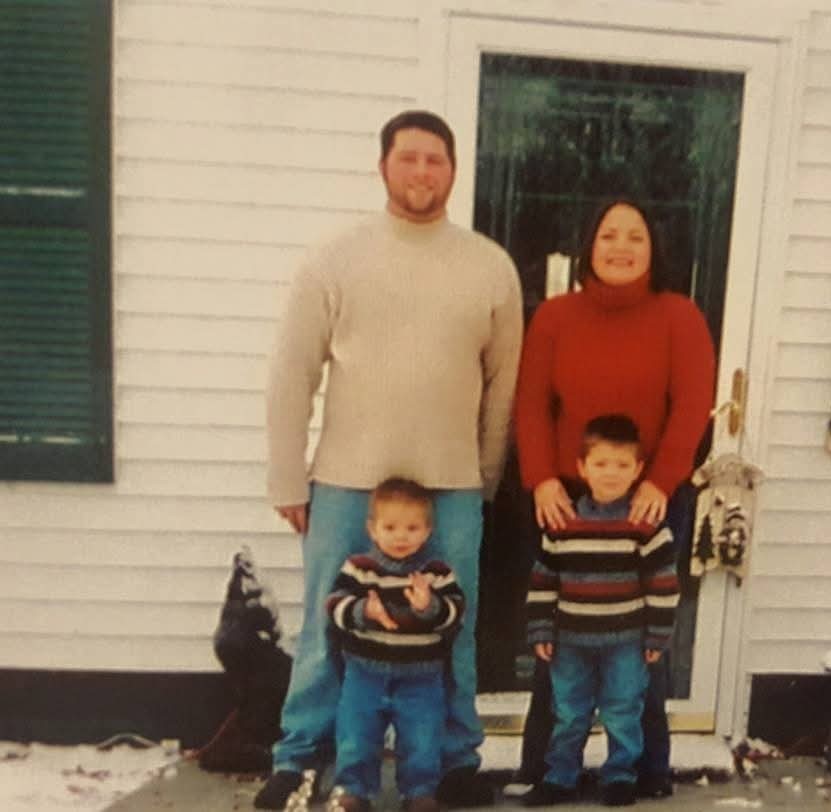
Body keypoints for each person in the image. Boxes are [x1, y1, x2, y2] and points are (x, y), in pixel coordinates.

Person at [258, 110, 523, 809]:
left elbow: (503, 387)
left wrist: (483, 477)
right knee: (329, 623)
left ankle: (454, 760)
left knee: (448, 626)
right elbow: (292, 372)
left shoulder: (490, 267)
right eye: (408, 158)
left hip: (450, 486)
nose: (421, 172)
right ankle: (300, 757)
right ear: (384, 166)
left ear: (453, 171)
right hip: (346, 482)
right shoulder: (334, 259)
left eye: (435, 160)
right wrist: (289, 476)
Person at [513, 198, 716, 799]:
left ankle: (645, 769)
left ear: (655, 249)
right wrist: (544, 479)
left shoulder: (679, 316)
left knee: (641, 643)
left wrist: (661, 481)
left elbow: (692, 405)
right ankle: (547, 769)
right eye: (608, 235)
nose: (620, 246)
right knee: (561, 631)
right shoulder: (554, 316)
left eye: (635, 236)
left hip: (649, 499)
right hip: (568, 499)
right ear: (588, 245)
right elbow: (530, 404)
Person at [523, 415, 679, 807]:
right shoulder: (563, 524)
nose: (611, 474)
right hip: (570, 641)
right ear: (582, 467)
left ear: (639, 470)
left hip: (625, 643)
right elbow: (544, 581)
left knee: (623, 710)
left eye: (623, 465)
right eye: (601, 464)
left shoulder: (645, 525)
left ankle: (620, 776)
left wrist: (657, 636)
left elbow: (663, 584)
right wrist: (541, 630)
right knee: (569, 712)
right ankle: (560, 777)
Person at [325, 478, 465, 812]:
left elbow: (456, 612)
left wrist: (429, 607)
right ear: (372, 529)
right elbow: (334, 606)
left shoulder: (436, 573)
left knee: (422, 737)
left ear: (427, 531)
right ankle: (353, 791)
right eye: (390, 527)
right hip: (364, 673)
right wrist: (363, 611)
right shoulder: (360, 569)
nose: (401, 536)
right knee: (356, 735)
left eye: (412, 528)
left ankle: (419, 792)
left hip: (421, 676)